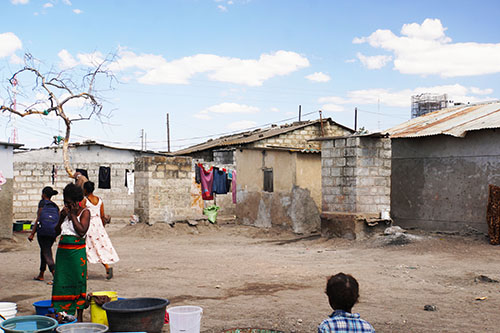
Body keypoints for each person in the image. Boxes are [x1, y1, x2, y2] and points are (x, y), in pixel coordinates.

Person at [51, 183, 90, 322]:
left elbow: (81, 231)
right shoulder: (65, 213)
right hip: (63, 255)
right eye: (65, 202)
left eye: (69, 202)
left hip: (76, 255)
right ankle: (62, 314)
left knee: (77, 283)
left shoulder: (85, 212)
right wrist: (61, 217)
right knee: (61, 283)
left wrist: (73, 215)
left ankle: (78, 318)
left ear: (76, 201)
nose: (66, 205)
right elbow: (55, 232)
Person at [83, 181, 119, 279]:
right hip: (98, 225)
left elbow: (81, 213)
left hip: (88, 225)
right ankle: (107, 267)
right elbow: (102, 215)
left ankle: (85, 274)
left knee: (85, 248)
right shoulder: (99, 200)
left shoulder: (85, 201)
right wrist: (102, 227)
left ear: (85, 190)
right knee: (100, 248)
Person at [28, 186, 60, 283]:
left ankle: (55, 274)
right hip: (52, 232)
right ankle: (41, 274)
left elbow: (38, 219)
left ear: (44, 194)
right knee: (44, 251)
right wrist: (55, 234)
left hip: (43, 232)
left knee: (47, 253)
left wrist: (32, 234)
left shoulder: (42, 203)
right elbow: (58, 220)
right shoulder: (55, 206)